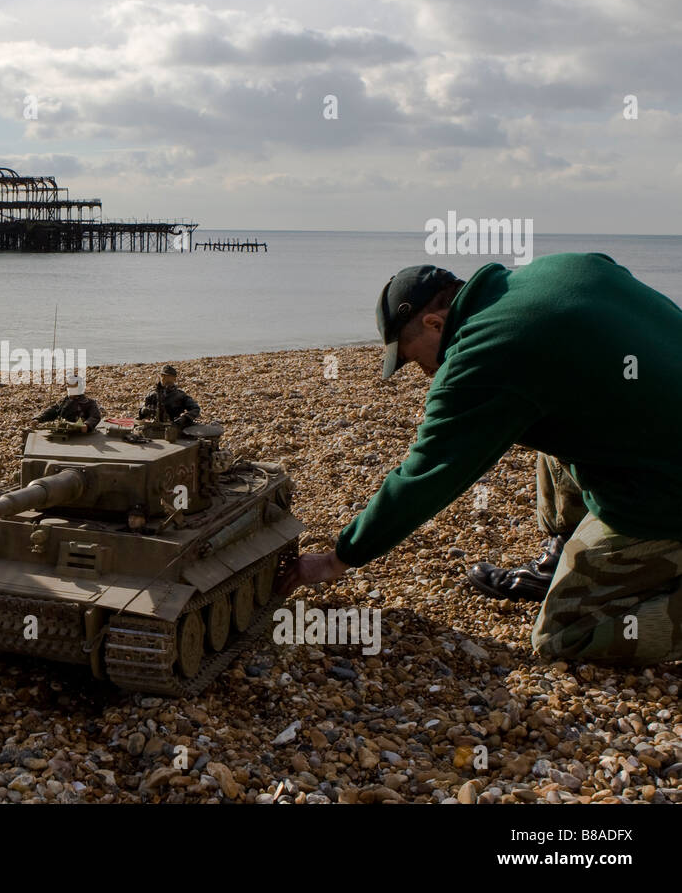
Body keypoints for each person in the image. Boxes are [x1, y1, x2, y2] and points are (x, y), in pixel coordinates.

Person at [282, 255, 682, 666]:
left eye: (411, 357)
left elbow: (429, 472)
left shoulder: (482, 355)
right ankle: (559, 558)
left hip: (663, 491)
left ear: (435, 324)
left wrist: (340, 557)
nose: (421, 372)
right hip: (657, 437)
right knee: (553, 402)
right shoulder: (561, 269)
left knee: (563, 637)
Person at [36, 374, 101, 432]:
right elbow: (52, 411)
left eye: (73, 386)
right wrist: (38, 419)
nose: (70, 388)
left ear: (79, 388)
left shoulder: (89, 403)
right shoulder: (64, 401)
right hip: (63, 431)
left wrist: (87, 425)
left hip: (79, 433)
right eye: (69, 386)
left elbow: (95, 416)